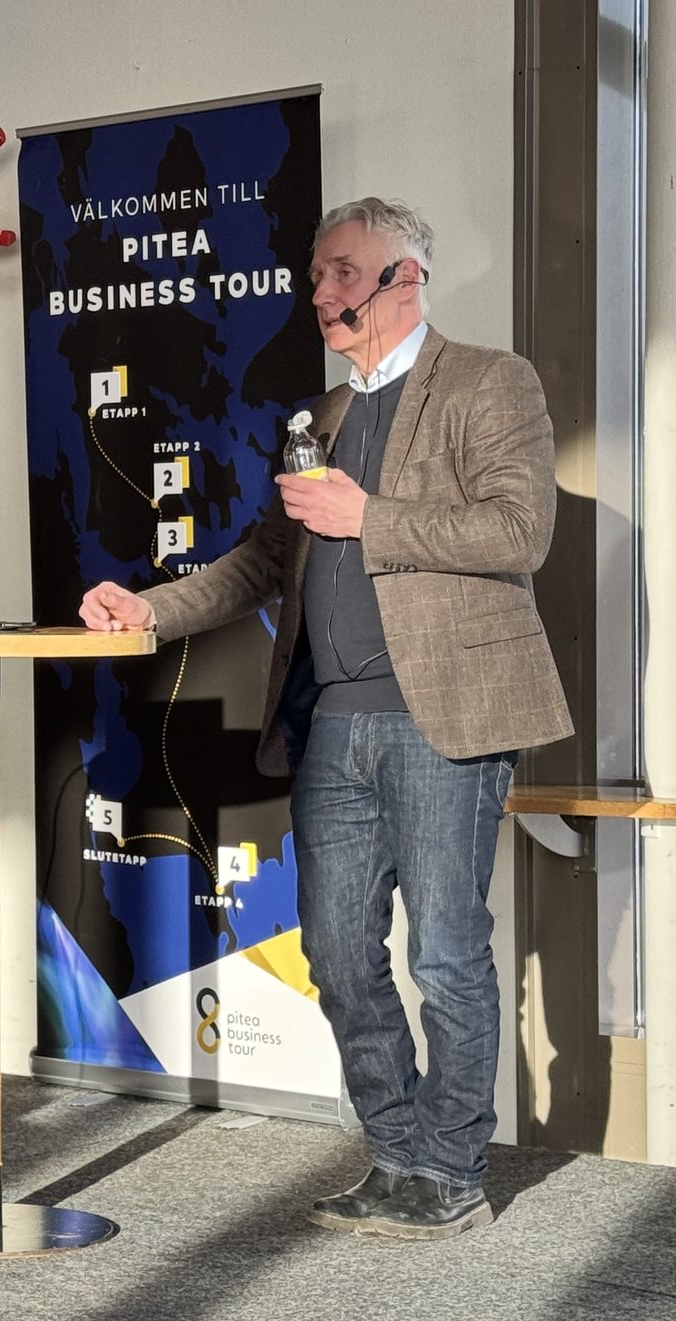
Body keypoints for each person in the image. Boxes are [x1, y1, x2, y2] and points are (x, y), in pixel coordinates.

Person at [80, 198, 570, 1240]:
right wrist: (150, 610)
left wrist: (369, 517)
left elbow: (519, 529)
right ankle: (396, 1155)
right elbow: (265, 560)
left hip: (446, 716)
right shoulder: (320, 416)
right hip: (331, 724)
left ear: (405, 278)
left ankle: (451, 1171)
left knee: (445, 955)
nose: (321, 294)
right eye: (315, 278)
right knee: (340, 955)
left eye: (342, 273)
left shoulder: (492, 381)